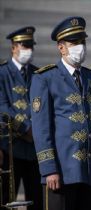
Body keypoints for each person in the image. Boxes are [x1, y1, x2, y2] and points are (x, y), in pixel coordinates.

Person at [30, 16, 91, 210]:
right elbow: (41, 129)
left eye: (82, 41)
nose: (79, 47)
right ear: (61, 47)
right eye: (73, 43)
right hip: (62, 173)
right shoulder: (45, 78)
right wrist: (49, 169)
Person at [0, 26, 43, 210]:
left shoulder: (39, 74)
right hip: (10, 147)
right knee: (7, 199)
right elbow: (2, 107)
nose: (28, 50)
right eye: (23, 45)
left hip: (34, 150)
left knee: (37, 200)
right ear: (13, 47)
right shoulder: (2, 73)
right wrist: (26, 129)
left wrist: (36, 131)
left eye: (30, 45)